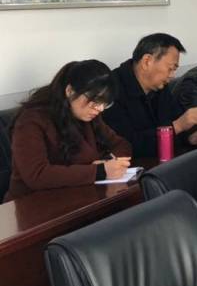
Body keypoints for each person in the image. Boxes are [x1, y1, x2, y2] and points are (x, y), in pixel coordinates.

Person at [7, 60, 132, 200]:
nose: (100, 108)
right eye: (95, 101)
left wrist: (110, 163)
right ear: (70, 91)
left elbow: (120, 144)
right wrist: (98, 171)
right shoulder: (31, 120)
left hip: (80, 196)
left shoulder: (88, 115)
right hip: (33, 203)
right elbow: (37, 175)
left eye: (104, 103)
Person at [104, 33, 197, 156]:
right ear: (147, 61)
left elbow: (175, 119)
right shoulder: (111, 89)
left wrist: (191, 137)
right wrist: (178, 126)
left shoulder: (159, 86)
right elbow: (126, 144)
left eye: (174, 70)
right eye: (170, 68)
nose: (172, 75)